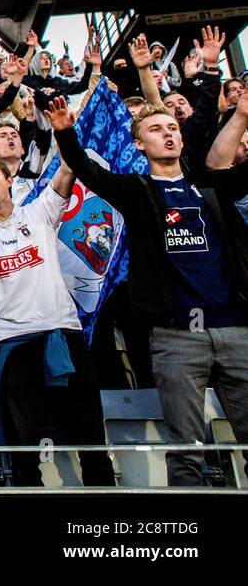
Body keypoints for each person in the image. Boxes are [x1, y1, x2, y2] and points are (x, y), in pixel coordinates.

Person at [54, 101, 248, 486]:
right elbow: (89, 171)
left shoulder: (209, 185)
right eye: (157, 129)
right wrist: (64, 132)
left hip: (235, 330)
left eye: (172, 127)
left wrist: (241, 115)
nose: (168, 133)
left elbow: (223, 163)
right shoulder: (135, 190)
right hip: (176, 338)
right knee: (188, 447)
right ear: (139, 145)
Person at [0, 98, 115, 487]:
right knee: (23, 446)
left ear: (8, 180)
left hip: (62, 332)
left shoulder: (39, 211)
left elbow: (70, 167)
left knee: (89, 435)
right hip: (15, 340)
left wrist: (64, 130)